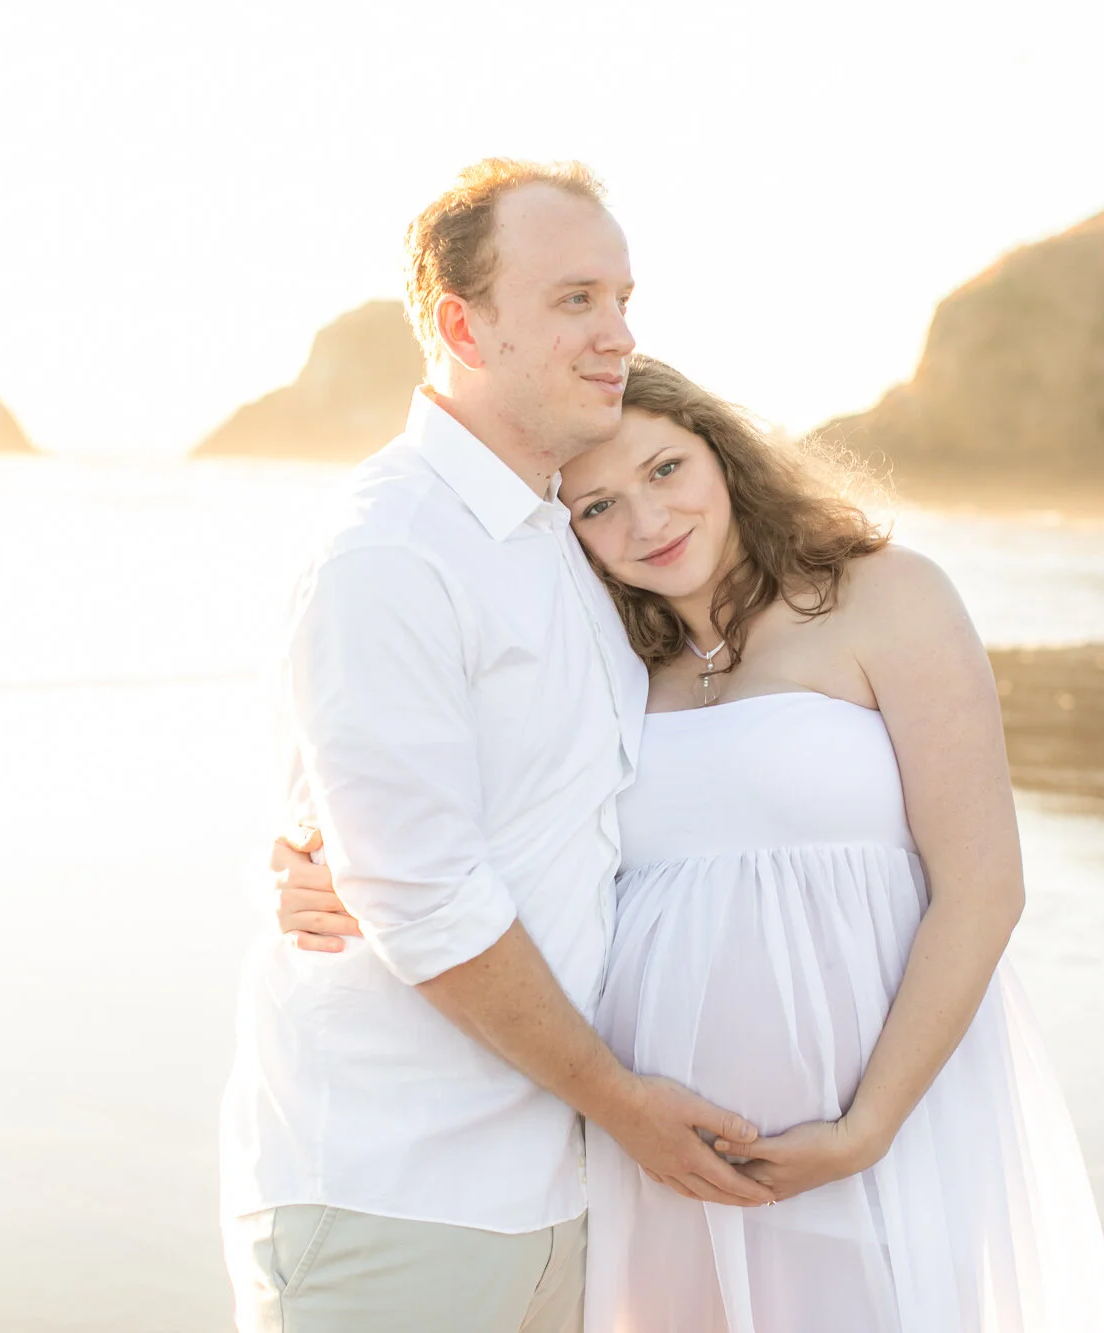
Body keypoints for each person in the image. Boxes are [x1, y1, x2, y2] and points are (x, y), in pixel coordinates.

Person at [276, 355, 1104, 1330]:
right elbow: (460, 823)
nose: (644, 521)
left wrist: (866, 1127)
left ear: (721, 455)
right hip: (655, 1152)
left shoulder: (883, 596)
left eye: (664, 471)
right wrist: (335, 868)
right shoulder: (607, 663)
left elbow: (982, 887)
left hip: (875, 1126)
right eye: (594, 508)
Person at [221, 159, 775, 1333]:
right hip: (392, 1192)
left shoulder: (563, 537)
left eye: (622, 298)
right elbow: (421, 889)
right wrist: (622, 1101)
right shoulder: (392, 551)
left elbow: (547, 814)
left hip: (553, 1191)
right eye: (575, 298)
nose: (617, 333)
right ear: (461, 324)